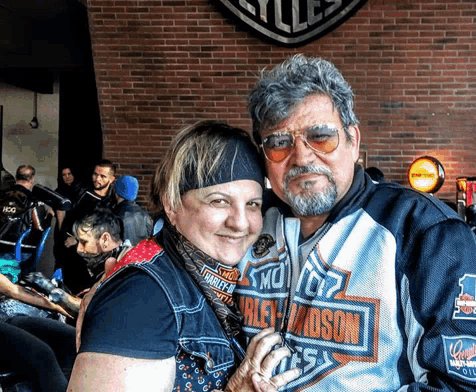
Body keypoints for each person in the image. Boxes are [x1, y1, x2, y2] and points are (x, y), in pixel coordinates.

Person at [236, 54, 476, 392]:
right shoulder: (244, 225)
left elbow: (469, 387)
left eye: (320, 137)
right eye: (279, 143)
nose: (302, 157)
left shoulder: (422, 231)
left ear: (353, 142)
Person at [68, 121, 300, 392]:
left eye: (252, 204)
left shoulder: (213, 273)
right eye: (219, 201)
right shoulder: (141, 297)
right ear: (172, 204)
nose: (240, 223)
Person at [0, 208, 129, 392]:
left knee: (71, 341)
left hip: (14, 314)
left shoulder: (122, 266)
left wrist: (61, 304)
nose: (78, 249)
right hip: (7, 316)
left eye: (84, 242)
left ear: (106, 239)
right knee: (42, 355)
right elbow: (14, 291)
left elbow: (16, 291)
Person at [59, 160, 118, 293]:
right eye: (95, 174)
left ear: (112, 179)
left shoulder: (113, 201)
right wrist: (76, 239)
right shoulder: (82, 195)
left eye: (103, 176)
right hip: (78, 260)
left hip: (100, 262)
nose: (97, 179)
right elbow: (69, 223)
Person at [0, 165, 52, 265]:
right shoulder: (34, 200)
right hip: (20, 252)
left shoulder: (2, 196)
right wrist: (49, 215)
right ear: (32, 179)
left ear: (16, 177)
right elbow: (40, 228)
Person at [112, 174, 153, 246]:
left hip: (122, 256)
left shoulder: (114, 215)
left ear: (116, 192)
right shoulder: (145, 215)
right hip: (141, 255)